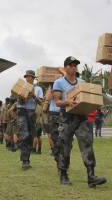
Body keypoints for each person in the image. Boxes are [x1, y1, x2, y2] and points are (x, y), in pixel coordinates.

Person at [53, 56, 107, 188]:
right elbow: (58, 102)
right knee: (65, 147)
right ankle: (64, 175)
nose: (73, 67)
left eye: (75, 65)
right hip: (67, 118)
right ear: (65, 67)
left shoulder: (82, 82)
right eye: (71, 65)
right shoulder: (59, 83)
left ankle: (91, 176)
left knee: (87, 145)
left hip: (82, 117)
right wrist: (68, 102)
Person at [17, 70, 43, 170]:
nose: (29, 78)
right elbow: (18, 100)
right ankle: (24, 161)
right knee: (24, 135)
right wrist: (23, 96)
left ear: (34, 78)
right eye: (27, 77)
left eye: (31, 77)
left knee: (30, 137)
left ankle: (26, 159)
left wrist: (33, 95)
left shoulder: (38, 88)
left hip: (32, 113)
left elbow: (41, 103)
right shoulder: (21, 87)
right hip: (22, 111)